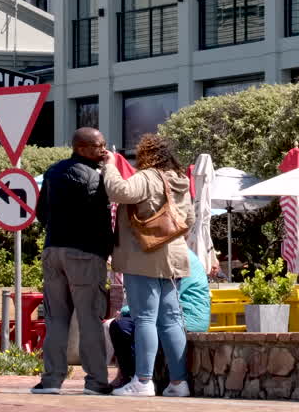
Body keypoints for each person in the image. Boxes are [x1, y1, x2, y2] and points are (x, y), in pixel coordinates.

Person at [102, 133, 194, 398]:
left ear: (146, 154)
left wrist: (110, 166)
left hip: (144, 256)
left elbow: (119, 191)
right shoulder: (180, 181)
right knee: (172, 319)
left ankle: (143, 381)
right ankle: (179, 383)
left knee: (145, 318)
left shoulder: (148, 177)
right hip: (174, 256)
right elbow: (189, 218)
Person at [32, 127, 115, 396]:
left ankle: (51, 381)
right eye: (97, 146)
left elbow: (41, 211)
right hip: (85, 252)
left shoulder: (53, 172)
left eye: (103, 144)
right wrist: (106, 247)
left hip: (53, 249)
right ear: (80, 147)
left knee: (56, 318)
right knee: (90, 317)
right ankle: (96, 382)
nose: (103, 150)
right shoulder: (95, 176)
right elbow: (99, 217)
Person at [108, 247, 211, 389]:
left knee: (122, 326)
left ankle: (134, 379)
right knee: (140, 323)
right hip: (189, 317)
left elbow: (157, 303)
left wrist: (125, 311)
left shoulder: (177, 258)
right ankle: (176, 382)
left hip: (186, 318)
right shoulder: (184, 255)